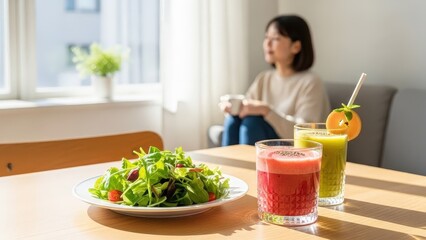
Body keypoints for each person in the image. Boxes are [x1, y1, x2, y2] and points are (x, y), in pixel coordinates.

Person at [220, 14, 331, 146]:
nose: (268, 43)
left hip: (296, 148)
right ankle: (226, 166)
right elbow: (246, 108)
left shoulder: (310, 82)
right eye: (266, 37)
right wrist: (234, 108)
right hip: (270, 144)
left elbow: (305, 133)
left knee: (252, 123)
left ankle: (248, 166)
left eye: (275, 38)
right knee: (233, 120)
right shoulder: (264, 78)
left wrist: (266, 110)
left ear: (296, 46)